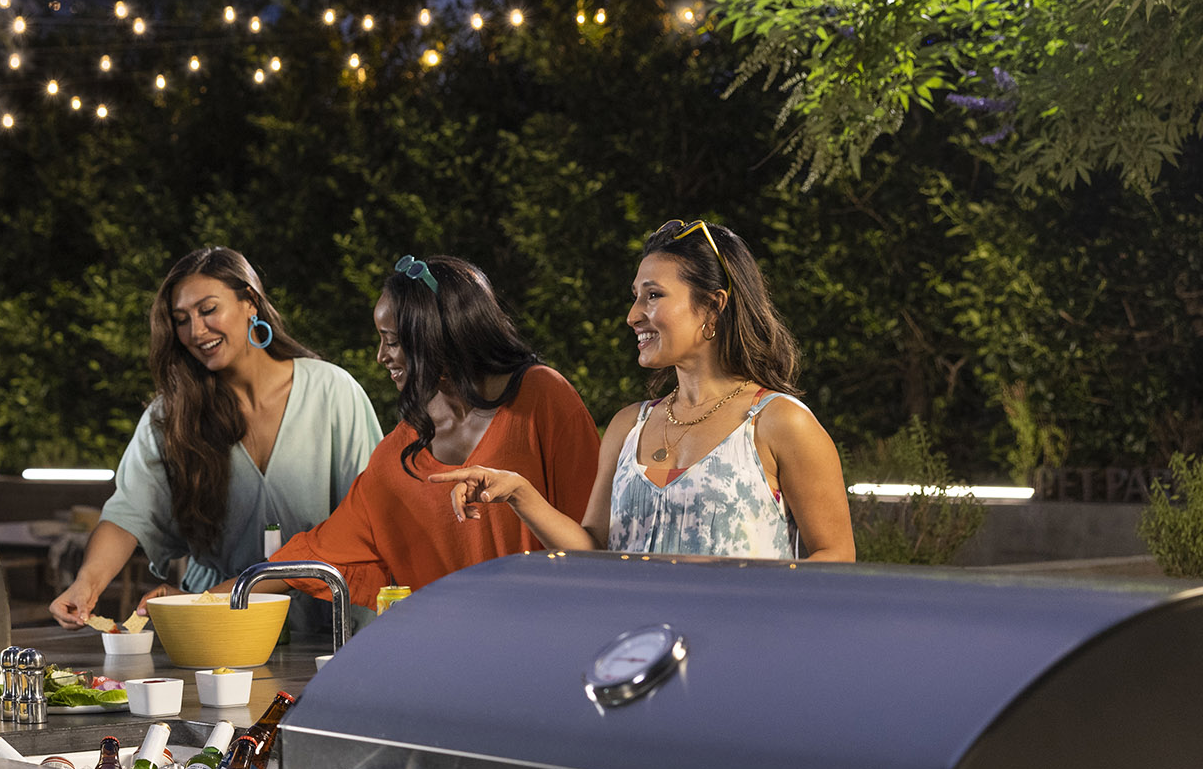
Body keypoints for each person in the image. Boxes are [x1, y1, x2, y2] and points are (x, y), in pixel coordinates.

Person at [430, 219, 854, 561]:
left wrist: (739, 582)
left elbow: (835, 557)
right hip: (636, 641)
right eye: (636, 296)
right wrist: (519, 492)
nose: (633, 315)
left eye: (653, 296)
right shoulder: (628, 426)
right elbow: (594, 551)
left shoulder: (780, 422)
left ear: (713, 307)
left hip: (740, 641)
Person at [50, 246, 382, 628]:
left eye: (208, 309)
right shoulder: (171, 415)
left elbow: (366, 519)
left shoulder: (332, 392)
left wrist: (216, 597)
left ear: (250, 302)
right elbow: (129, 513)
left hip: (328, 620)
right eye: (181, 320)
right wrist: (86, 584)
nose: (196, 331)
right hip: (215, 625)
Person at [246, 255, 600, 610]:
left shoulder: (542, 398)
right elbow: (311, 556)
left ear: (434, 336)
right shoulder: (397, 458)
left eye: (392, 341)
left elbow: (596, 548)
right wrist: (224, 598)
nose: (381, 356)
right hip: (448, 642)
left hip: (556, 634)